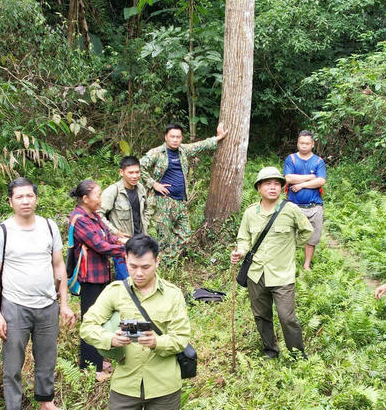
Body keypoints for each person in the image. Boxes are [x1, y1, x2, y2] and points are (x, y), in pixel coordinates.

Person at [78, 234, 192, 410]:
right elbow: (87, 325)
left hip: (164, 382)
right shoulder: (116, 291)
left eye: (145, 267)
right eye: (132, 266)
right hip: (126, 381)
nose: (139, 273)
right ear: (125, 262)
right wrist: (109, 339)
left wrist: (159, 342)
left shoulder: (173, 294)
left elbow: (182, 337)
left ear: (157, 262)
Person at [0, 177, 78, 410]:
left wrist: (64, 303)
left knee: (47, 358)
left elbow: (59, 266)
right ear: (10, 201)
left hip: (47, 305)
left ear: (36, 198)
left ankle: (46, 405)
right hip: (14, 306)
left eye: (29, 196)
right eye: (19, 197)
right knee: (12, 363)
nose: (25, 201)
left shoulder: (49, 227)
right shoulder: (2, 231)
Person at [232, 166, 313, 359]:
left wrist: (291, 247)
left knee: (287, 317)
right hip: (256, 274)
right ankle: (270, 350)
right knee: (261, 315)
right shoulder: (250, 212)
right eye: (268, 184)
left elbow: (306, 231)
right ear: (259, 187)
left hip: (282, 274)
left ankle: (297, 354)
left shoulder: (290, 210)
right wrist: (240, 251)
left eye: (277, 184)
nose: (273, 188)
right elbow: (243, 238)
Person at [68, 179, 129, 379]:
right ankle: (89, 368)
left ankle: (100, 360)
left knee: (103, 319)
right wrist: (126, 248)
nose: (100, 199)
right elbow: (99, 245)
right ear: (85, 199)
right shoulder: (79, 219)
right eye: (98, 195)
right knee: (90, 321)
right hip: (89, 278)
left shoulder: (93, 215)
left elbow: (108, 238)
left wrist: (121, 241)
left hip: (102, 274)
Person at [139, 121, 228, 256]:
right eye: (172, 136)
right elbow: (139, 167)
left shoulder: (183, 150)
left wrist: (217, 138)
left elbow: (200, 146)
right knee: (164, 237)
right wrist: (154, 184)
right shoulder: (157, 153)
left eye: (178, 137)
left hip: (181, 202)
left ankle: (170, 258)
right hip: (163, 202)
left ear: (181, 138)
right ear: (166, 137)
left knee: (186, 236)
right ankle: (164, 265)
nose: (175, 140)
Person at [283, 130, 327, 272]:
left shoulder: (318, 161)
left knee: (312, 237)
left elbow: (321, 180)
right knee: (290, 236)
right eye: (301, 143)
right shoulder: (292, 159)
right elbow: (288, 178)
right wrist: (310, 177)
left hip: (314, 206)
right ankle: (289, 263)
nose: (304, 146)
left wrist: (301, 184)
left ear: (312, 144)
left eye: (307, 143)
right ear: (297, 143)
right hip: (294, 205)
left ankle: (306, 265)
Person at [100, 156, 151, 238]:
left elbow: (146, 209)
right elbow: (98, 215)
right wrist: (115, 232)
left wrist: (145, 224)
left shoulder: (141, 188)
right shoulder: (112, 191)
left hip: (140, 239)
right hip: (121, 242)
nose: (135, 176)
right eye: (130, 173)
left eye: (137, 172)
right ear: (121, 172)